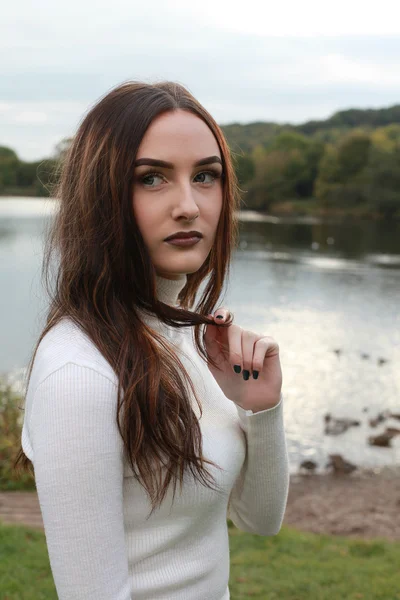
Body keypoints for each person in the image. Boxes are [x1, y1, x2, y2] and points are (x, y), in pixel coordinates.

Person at [14, 81, 290, 600]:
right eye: (152, 178)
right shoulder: (79, 371)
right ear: (102, 195)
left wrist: (260, 409)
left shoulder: (189, 335)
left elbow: (260, 521)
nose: (189, 205)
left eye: (206, 176)